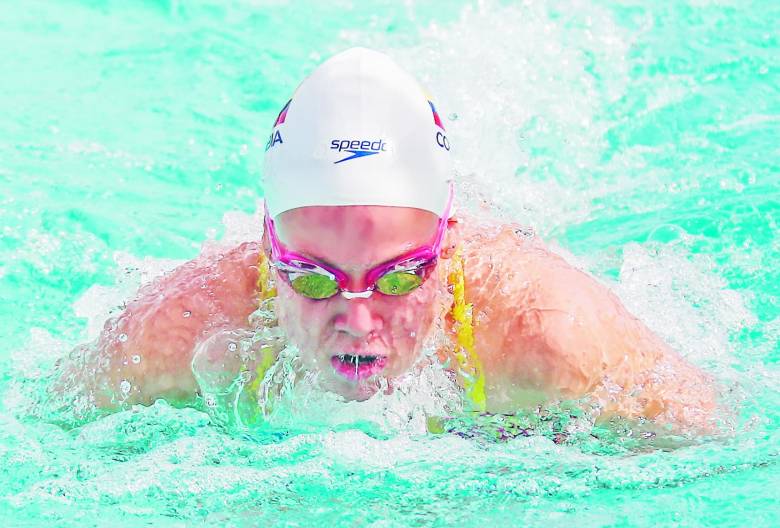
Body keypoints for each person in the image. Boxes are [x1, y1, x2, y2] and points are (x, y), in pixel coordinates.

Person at [56, 48, 715, 432]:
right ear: (266, 247)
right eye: (314, 278)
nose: (359, 321)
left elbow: (712, 437)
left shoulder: (549, 338)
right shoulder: (176, 335)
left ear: (447, 245)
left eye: (399, 276)